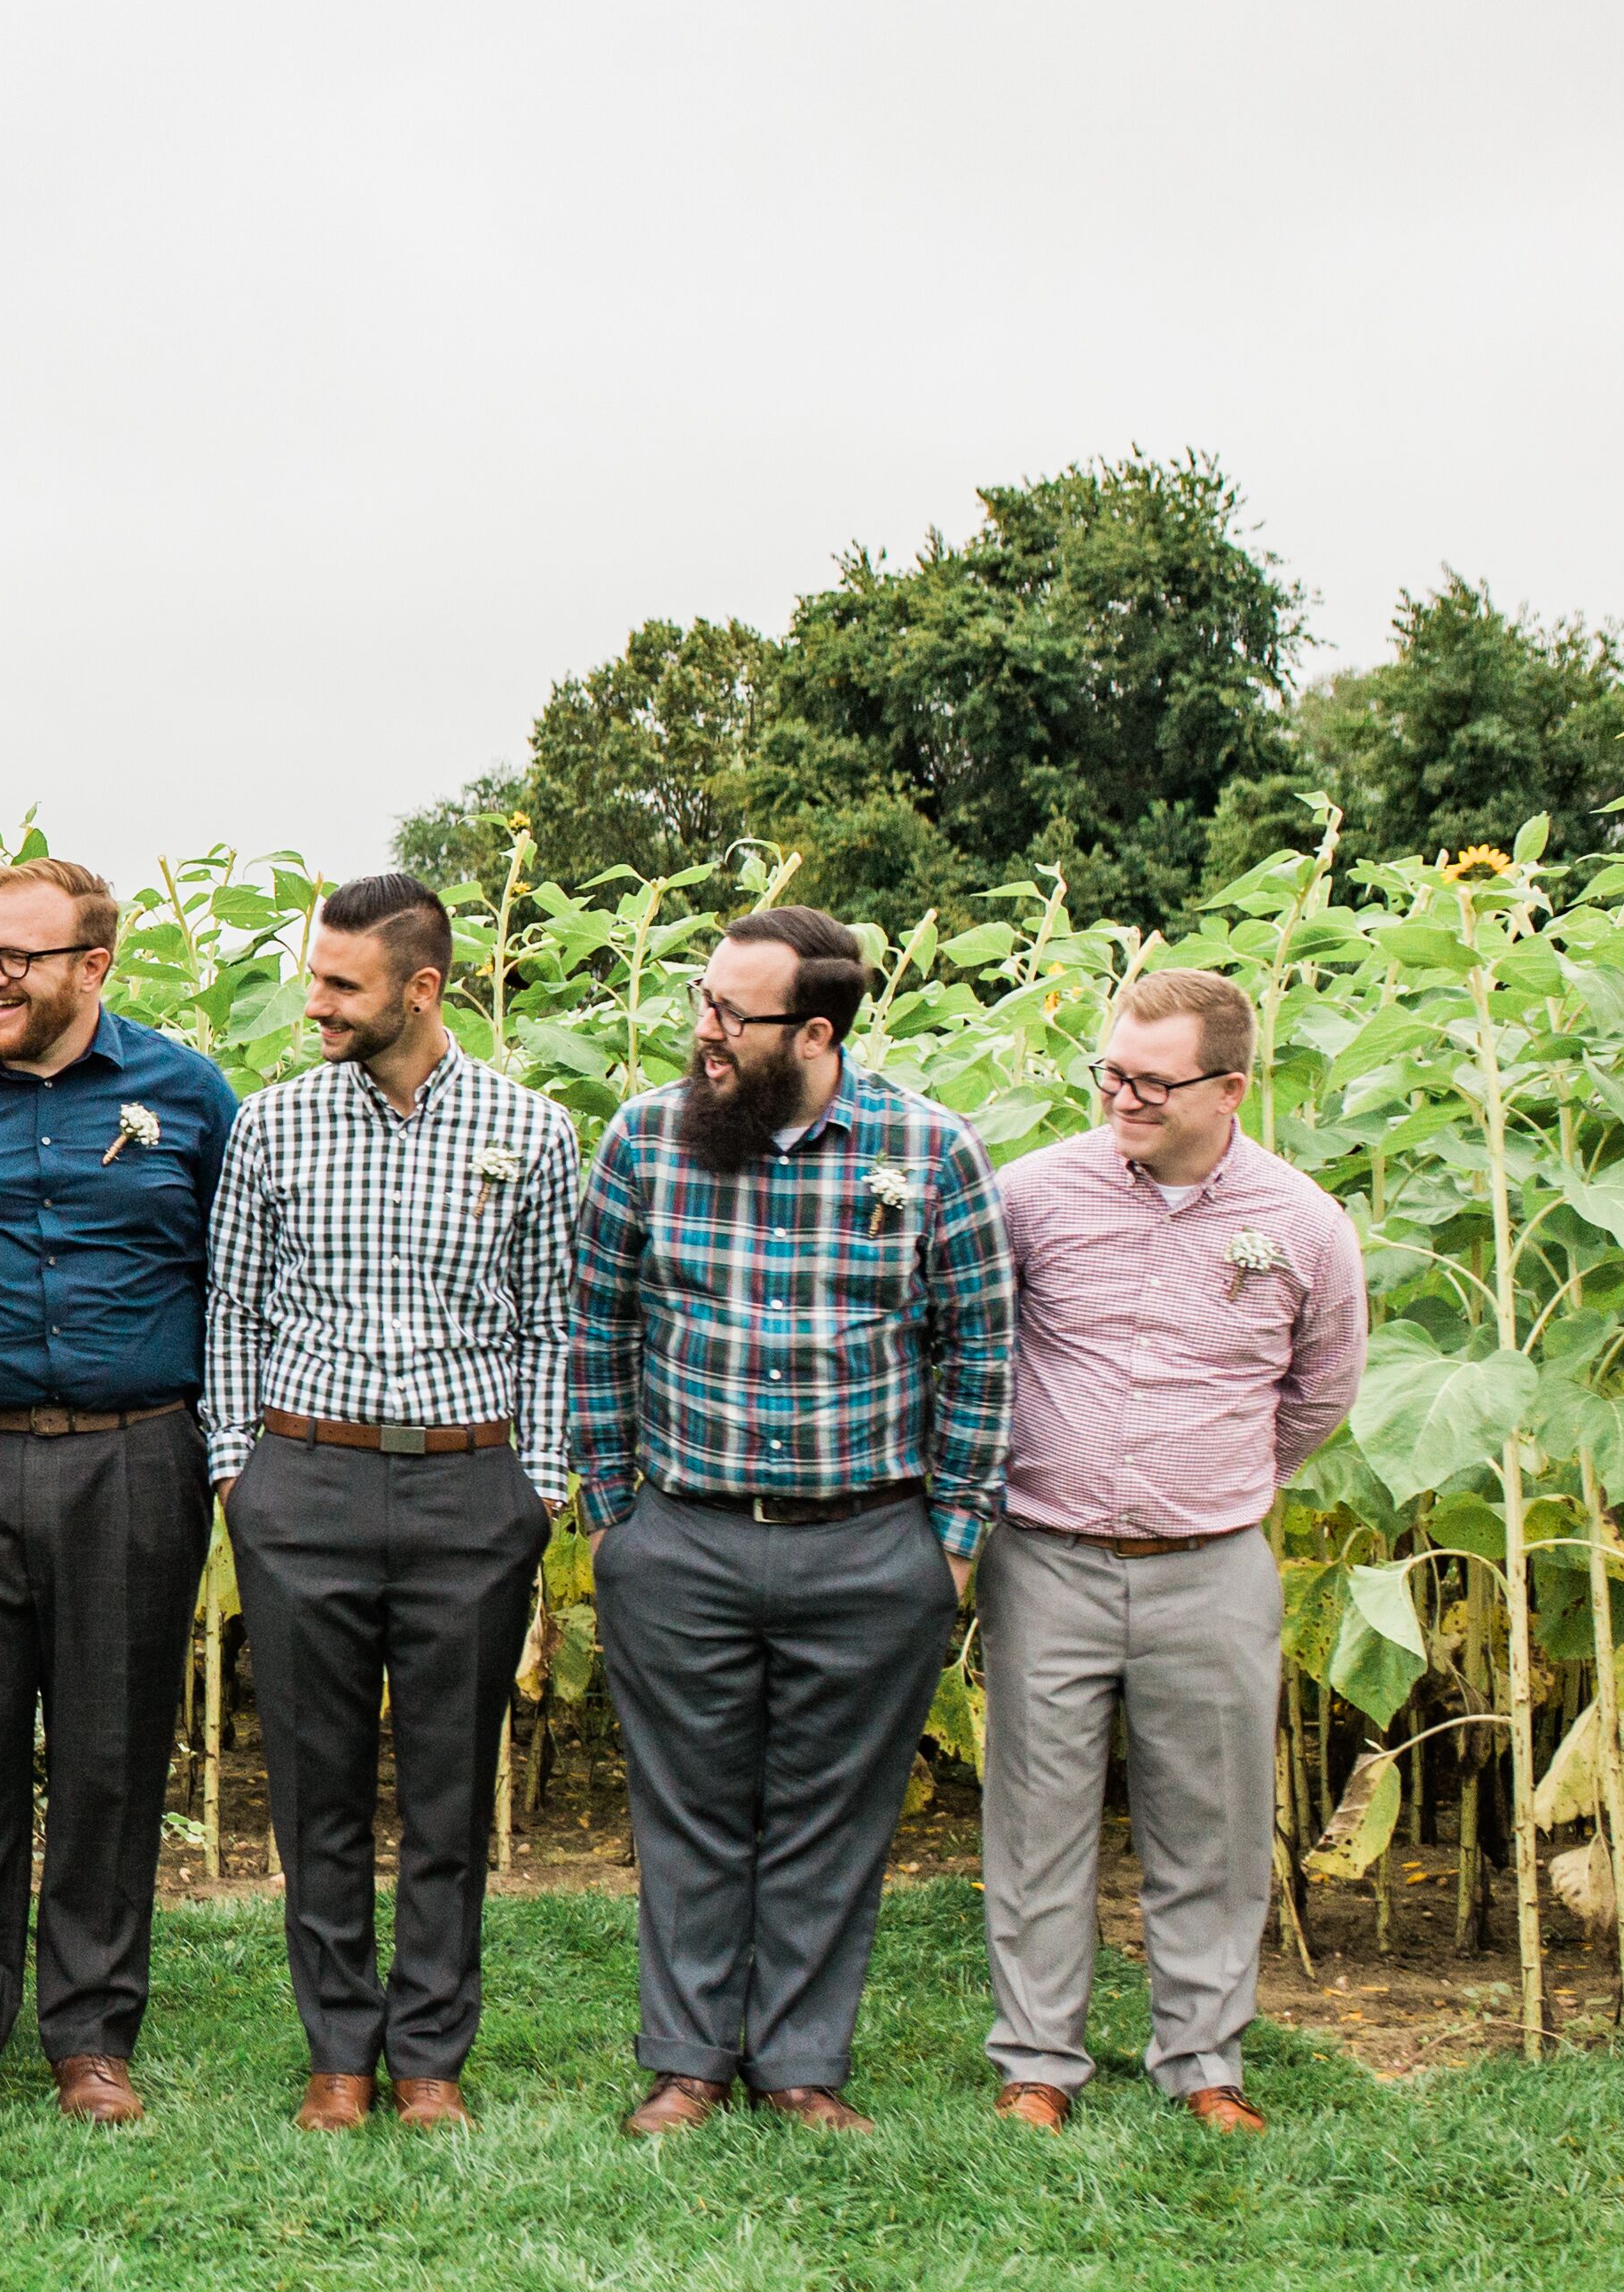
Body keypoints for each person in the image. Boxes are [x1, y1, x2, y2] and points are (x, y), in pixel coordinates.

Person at [572, 904, 1012, 2137]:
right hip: (686, 1534)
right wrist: (614, 1514)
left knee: (834, 1810)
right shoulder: (646, 1139)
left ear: (814, 1030)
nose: (703, 1030)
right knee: (689, 1804)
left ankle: (803, 2061)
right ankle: (690, 2059)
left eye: (730, 1013)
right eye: (703, 999)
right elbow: (596, 1330)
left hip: (869, 1541)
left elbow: (978, 1344)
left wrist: (954, 1535)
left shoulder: (930, 1151)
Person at [0, 858, 231, 2134]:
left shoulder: (184, 1093)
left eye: (22, 956)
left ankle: (91, 2034)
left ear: (94, 967)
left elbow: (227, 1270)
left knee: (114, 1753)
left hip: (135, 1456)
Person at [200, 874, 576, 2133]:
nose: (312, 1001)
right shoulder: (273, 1125)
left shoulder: (531, 1129)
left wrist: (538, 1487)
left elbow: (554, 1324)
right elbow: (234, 1308)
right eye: (314, 976)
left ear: (420, 988)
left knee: (449, 1784)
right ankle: (338, 2052)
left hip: (473, 1484)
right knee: (314, 1784)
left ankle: (430, 2055)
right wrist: (237, 1473)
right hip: (303, 1477)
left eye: (339, 983)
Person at [981, 968, 1365, 2135]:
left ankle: (1204, 2062)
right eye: (1111, 1073)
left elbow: (1321, 1391)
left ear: (1231, 1085)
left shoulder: (1301, 1221)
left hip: (1211, 1563)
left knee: (1214, 1820)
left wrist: (1210, 1480)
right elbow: (973, 1342)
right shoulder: (1032, 1195)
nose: (1123, 1098)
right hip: (1047, 1553)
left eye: (1152, 1082)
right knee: (1038, 1819)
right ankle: (1037, 2061)